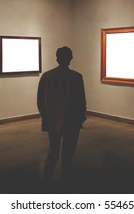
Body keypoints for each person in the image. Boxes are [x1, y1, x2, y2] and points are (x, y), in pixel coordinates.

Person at [37, 46, 86, 184]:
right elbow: (80, 101)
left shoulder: (47, 76)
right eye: (70, 55)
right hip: (71, 121)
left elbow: (40, 101)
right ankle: (65, 179)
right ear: (70, 58)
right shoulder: (76, 77)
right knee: (68, 153)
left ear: (57, 58)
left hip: (53, 120)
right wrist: (81, 117)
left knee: (53, 151)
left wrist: (46, 116)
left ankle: (47, 179)